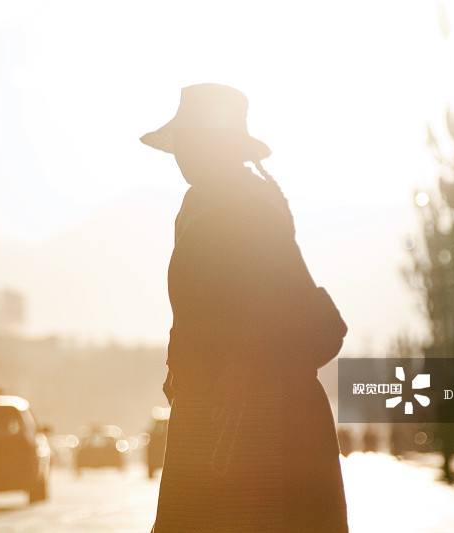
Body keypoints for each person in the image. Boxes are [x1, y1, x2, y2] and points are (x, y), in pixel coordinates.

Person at [141, 83, 349, 532]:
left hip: (258, 421)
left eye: (191, 142)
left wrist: (228, 374)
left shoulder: (247, 209)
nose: (181, 155)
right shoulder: (201, 205)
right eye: (181, 144)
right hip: (212, 413)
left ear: (218, 147)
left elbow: (279, 315)